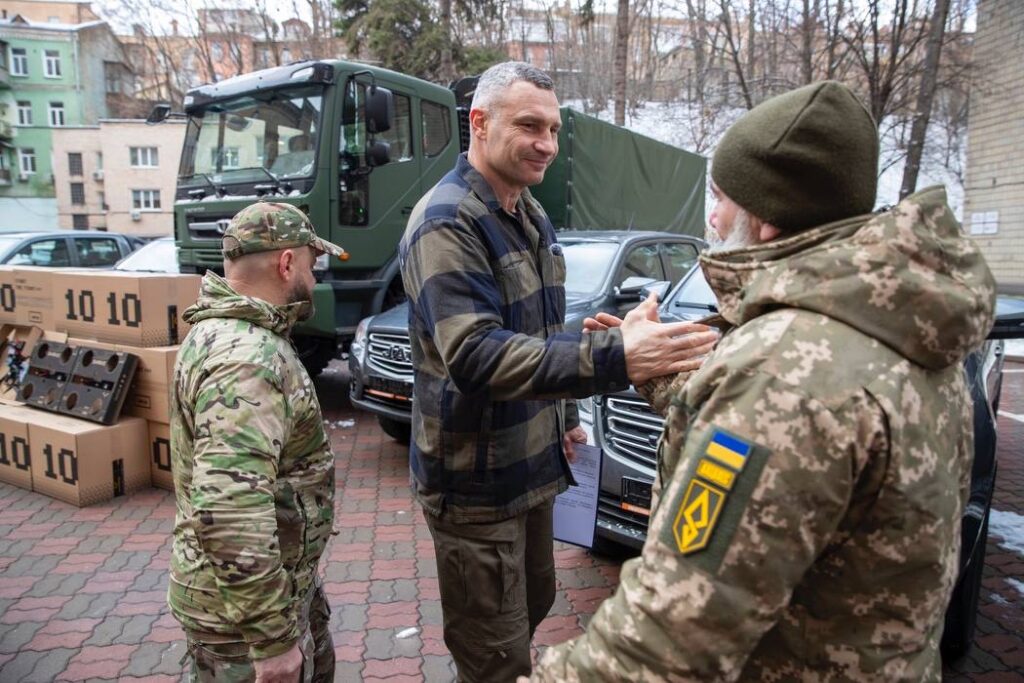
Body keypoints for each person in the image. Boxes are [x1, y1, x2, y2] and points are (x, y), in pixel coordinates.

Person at [528, 81, 997, 681]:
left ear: (768, 220)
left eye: (721, 198)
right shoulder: (902, 327)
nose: (712, 216)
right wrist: (663, 371)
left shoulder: (781, 369)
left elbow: (668, 638)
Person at [398, 61, 719, 683]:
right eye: (529, 126)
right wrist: (616, 357)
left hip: (536, 465)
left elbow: (540, 333)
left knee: (531, 605)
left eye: (552, 128)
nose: (546, 143)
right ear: (480, 123)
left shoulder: (530, 215)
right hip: (476, 484)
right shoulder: (447, 222)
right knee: (494, 652)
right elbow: (476, 355)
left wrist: (568, 413)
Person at [168, 201, 345, 683]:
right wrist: (271, 641)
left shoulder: (224, 332)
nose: (314, 276)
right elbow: (229, 505)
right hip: (241, 623)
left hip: (253, 597)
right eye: (312, 263)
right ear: (287, 263)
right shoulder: (248, 359)